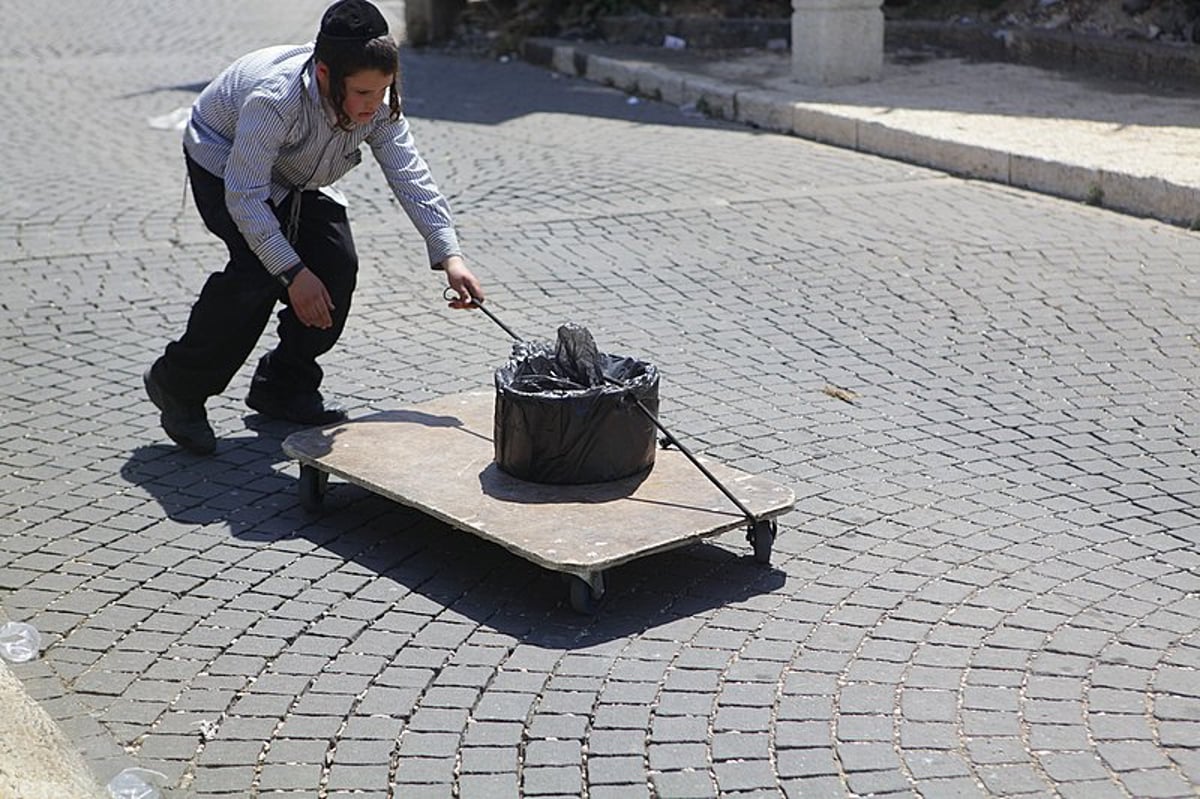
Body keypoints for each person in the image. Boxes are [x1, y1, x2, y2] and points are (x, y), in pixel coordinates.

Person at [144, 0, 483, 455]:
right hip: (225, 164)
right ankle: (177, 385)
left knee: (336, 268)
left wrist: (450, 256)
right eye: (362, 93)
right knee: (257, 274)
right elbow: (245, 196)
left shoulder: (379, 103)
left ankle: (282, 383)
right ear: (324, 75)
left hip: (300, 176)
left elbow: (410, 174)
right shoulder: (274, 97)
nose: (373, 105)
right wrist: (292, 273)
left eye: (382, 90)